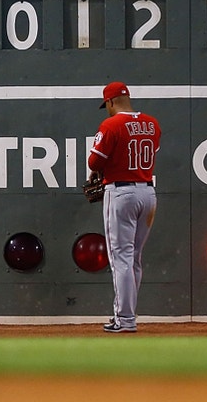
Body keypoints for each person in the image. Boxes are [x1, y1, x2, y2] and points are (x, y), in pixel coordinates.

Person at [87, 81, 160, 333]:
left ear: (110, 102)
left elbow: (95, 161)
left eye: (105, 105)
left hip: (121, 193)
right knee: (134, 258)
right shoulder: (152, 123)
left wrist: (100, 171)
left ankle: (125, 319)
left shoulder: (111, 124)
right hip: (148, 192)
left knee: (121, 258)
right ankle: (128, 316)